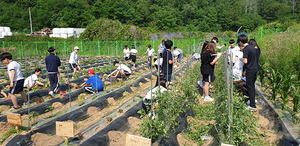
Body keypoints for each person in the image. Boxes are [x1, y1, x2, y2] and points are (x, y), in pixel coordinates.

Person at [239, 34, 258, 111]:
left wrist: (241, 59)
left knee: (249, 86)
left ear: (240, 42)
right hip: (255, 69)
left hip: (250, 70)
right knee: (252, 86)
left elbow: (246, 61)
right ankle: (252, 101)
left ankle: (252, 106)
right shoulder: (252, 47)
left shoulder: (246, 49)